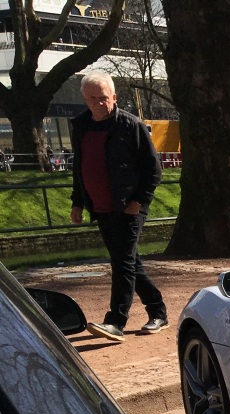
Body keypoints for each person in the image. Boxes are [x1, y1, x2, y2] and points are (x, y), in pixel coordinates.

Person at [70, 72, 167, 341]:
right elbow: (80, 168)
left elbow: (154, 169)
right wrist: (77, 202)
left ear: (114, 97)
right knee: (129, 263)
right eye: (93, 99)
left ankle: (116, 321)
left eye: (104, 98)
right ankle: (158, 311)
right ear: (85, 99)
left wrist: (139, 201)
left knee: (122, 263)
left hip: (128, 207)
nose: (99, 104)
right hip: (100, 207)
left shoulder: (131, 125)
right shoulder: (80, 126)